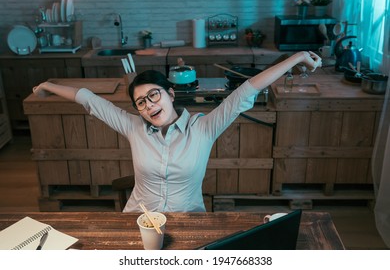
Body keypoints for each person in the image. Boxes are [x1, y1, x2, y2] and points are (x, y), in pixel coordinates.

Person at [32, 51, 322, 213]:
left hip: (189, 221)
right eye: (141, 102)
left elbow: (248, 89)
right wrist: (47, 85)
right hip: (139, 221)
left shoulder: (204, 128)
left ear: (170, 93)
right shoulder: (134, 127)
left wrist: (296, 58)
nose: (148, 105)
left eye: (154, 95)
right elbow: (89, 99)